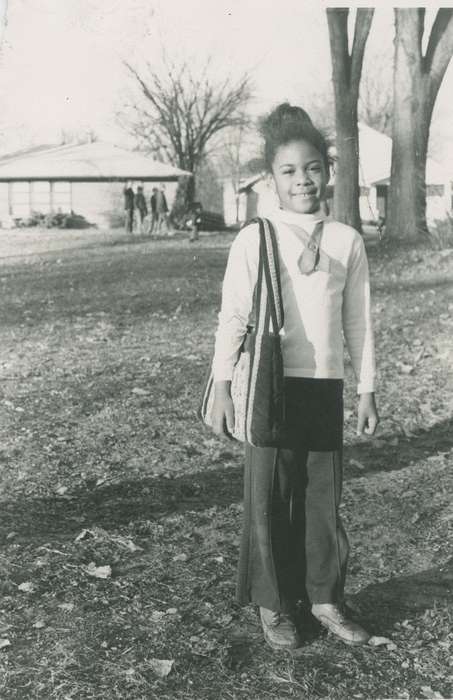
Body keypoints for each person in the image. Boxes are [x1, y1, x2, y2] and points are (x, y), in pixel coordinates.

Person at [209, 103, 379, 651]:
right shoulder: (256, 237)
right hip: (269, 385)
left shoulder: (347, 240)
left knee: (320, 498)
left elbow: (358, 319)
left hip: (324, 386)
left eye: (311, 168)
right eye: (288, 171)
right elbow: (233, 315)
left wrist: (367, 386)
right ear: (270, 180)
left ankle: (325, 598)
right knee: (270, 496)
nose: (301, 180)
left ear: (327, 171)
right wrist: (221, 384)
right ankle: (274, 604)